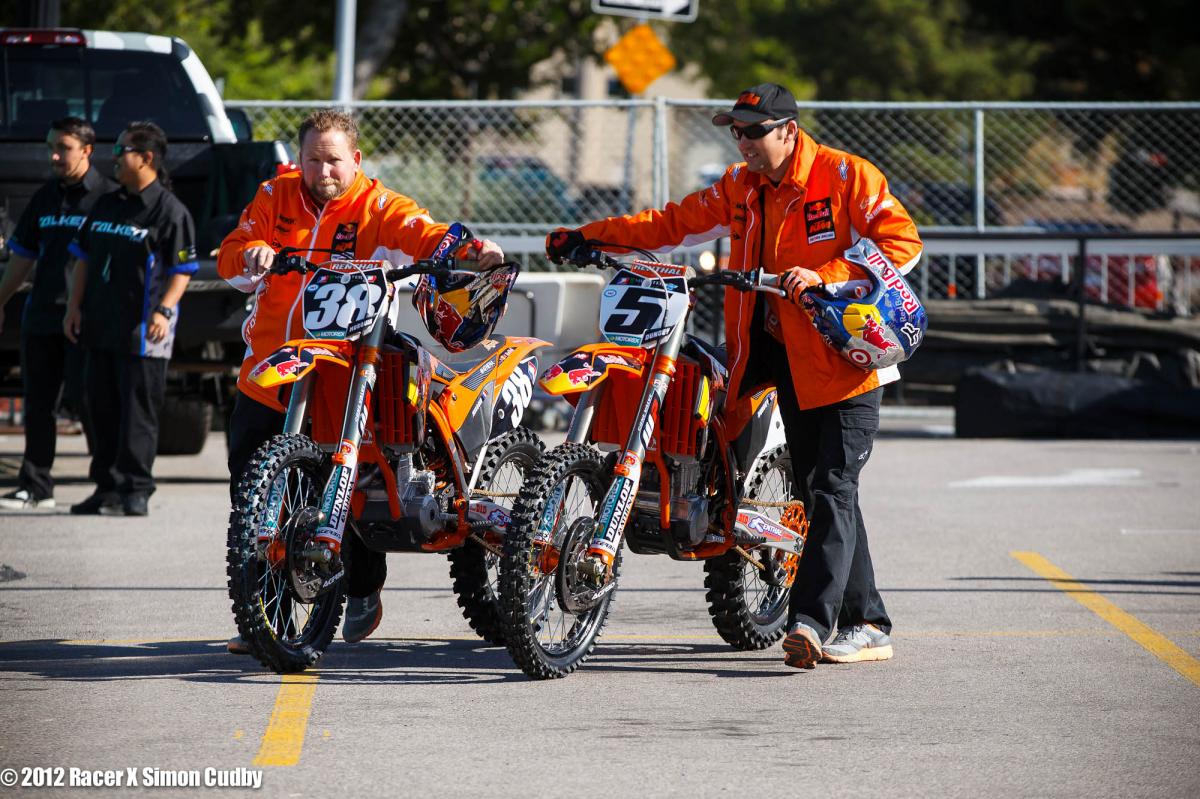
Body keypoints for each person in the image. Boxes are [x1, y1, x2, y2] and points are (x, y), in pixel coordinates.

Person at [545, 83, 922, 668]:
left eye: (752, 131)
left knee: (830, 490)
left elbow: (902, 240)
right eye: (735, 131)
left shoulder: (846, 176)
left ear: (788, 132)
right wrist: (591, 236)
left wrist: (826, 274)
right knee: (820, 491)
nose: (741, 141)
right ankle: (868, 622)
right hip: (777, 356)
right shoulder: (740, 187)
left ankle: (811, 624)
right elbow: (670, 223)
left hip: (844, 365)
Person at [217, 109, 504, 654]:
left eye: (333, 160)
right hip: (269, 373)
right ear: (297, 159)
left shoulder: (378, 206)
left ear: (356, 160)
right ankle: (266, 617)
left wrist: (469, 250)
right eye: (312, 159)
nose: (323, 170)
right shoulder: (273, 197)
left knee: (352, 488)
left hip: (345, 378)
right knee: (255, 500)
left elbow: (424, 233)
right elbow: (232, 257)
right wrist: (251, 255)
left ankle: (364, 586)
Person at [63, 121, 197, 517]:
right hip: (100, 325)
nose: (115, 157)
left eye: (122, 150)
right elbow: (84, 259)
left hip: (143, 331)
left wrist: (164, 309)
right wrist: (74, 307)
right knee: (98, 408)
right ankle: (105, 487)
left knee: (137, 413)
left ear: (146, 158)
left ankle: (136, 489)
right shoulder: (107, 202)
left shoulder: (169, 211)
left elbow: (182, 269)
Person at [0, 117, 114, 511]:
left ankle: (107, 487)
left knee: (90, 402)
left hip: (86, 320)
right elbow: (21, 258)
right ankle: (35, 485)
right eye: (51, 146)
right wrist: (0, 301)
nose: (54, 155)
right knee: (38, 404)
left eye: (62, 147)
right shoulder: (44, 197)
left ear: (87, 150)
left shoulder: (108, 198)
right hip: (42, 316)